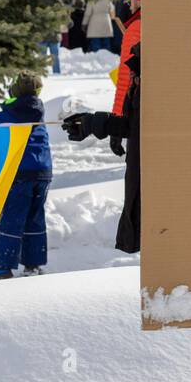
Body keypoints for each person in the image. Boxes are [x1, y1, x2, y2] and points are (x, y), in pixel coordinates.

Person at [61, 42, 142, 253]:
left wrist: (97, 123)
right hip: (138, 163)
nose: (131, 5)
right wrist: (114, 128)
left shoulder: (157, 74)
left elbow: (145, 124)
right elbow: (135, 118)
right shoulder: (142, 69)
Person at [0, 74, 53, 280]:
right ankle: (32, 265)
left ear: (14, 91)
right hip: (43, 173)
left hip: (19, 175)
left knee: (11, 218)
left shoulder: (8, 115)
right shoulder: (39, 113)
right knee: (34, 218)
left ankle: (2, 268)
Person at [113, 0, 142, 115]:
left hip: (136, 104)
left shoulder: (136, 27)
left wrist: (117, 115)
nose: (129, 4)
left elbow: (125, 76)